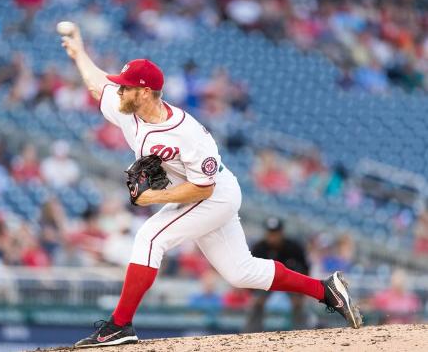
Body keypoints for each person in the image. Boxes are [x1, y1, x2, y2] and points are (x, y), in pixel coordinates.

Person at [61, 23, 362, 348]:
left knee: (149, 238)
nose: (119, 91)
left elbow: (203, 189)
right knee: (240, 272)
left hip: (214, 195)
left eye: (126, 87)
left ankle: (119, 325)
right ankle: (326, 291)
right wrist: (79, 53)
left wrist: (153, 198)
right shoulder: (127, 111)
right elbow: (97, 85)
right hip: (195, 196)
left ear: (145, 92)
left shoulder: (189, 134)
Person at [244, 217, 310, 331]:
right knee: (256, 303)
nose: (273, 237)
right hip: (266, 282)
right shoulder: (259, 248)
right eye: (270, 233)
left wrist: (301, 293)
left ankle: (302, 331)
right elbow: (250, 271)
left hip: (290, 281)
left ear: (281, 233)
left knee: (298, 304)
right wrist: (253, 293)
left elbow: (305, 268)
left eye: (275, 233)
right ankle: (251, 332)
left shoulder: (293, 247)